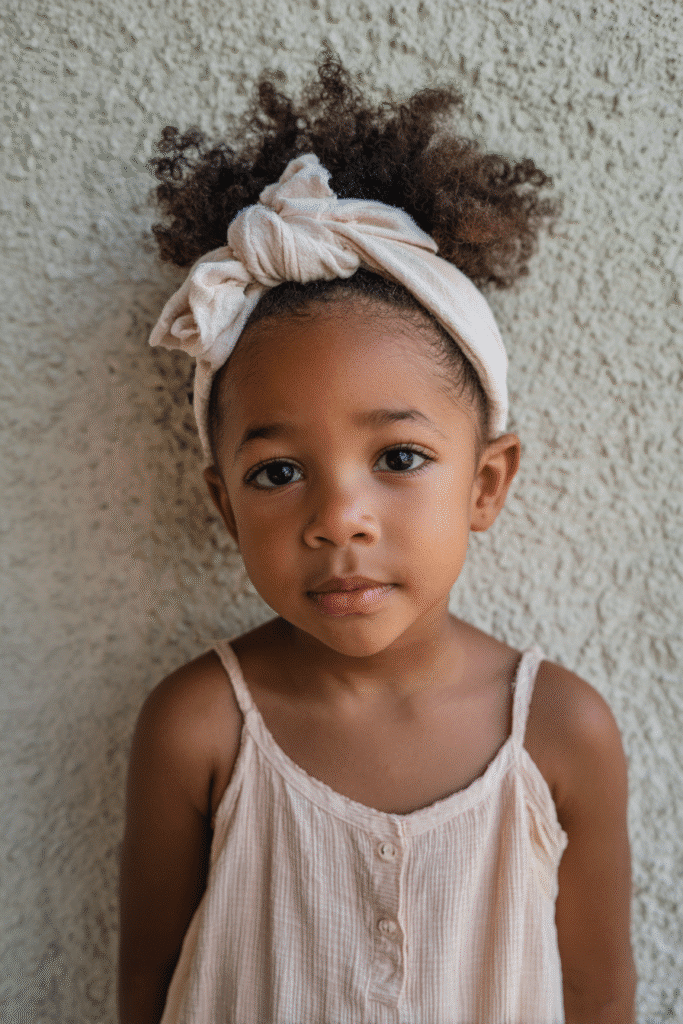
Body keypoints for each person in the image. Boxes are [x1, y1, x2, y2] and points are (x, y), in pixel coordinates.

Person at [117, 51, 637, 1024]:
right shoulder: (197, 727)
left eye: (397, 458)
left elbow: (598, 996)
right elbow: (145, 989)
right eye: (277, 473)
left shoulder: (559, 734)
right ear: (225, 505)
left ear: (485, 483)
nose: (337, 517)